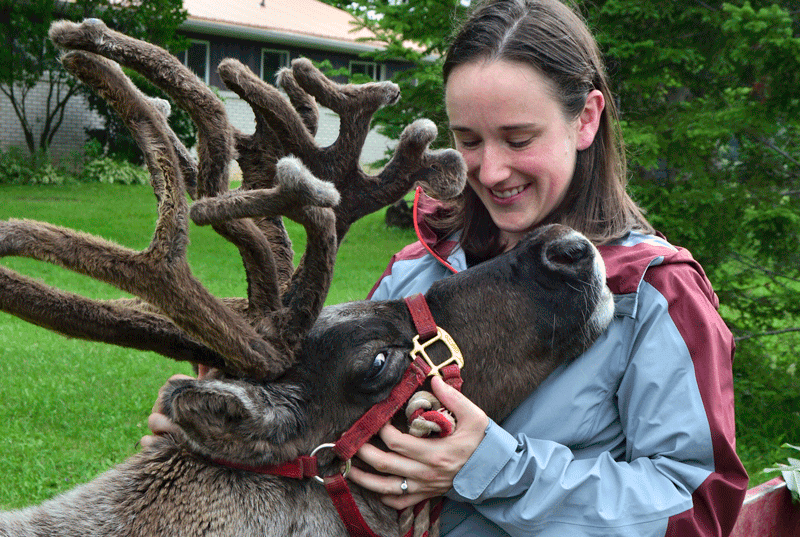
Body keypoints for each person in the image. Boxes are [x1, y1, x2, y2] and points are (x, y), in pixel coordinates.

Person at [144, 0, 749, 535]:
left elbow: (698, 511)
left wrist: (495, 469)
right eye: (469, 139)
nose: (489, 171)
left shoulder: (654, 291)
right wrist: (212, 428)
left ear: (585, 119)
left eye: (518, 139)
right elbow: (323, 413)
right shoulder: (416, 271)